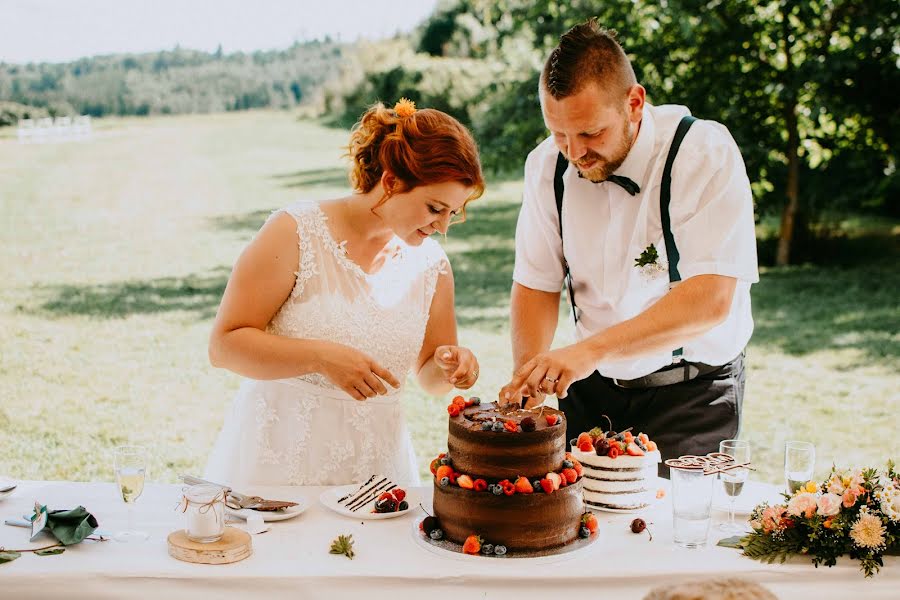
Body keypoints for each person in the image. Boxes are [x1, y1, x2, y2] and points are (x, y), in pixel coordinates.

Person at [499, 20, 759, 472]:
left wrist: (587, 352)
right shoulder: (545, 167)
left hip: (692, 393)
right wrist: (531, 379)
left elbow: (710, 301)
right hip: (591, 385)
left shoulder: (701, 153)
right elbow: (536, 283)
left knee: (672, 532)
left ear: (634, 103)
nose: (574, 153)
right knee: (575, 528)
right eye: (560, 134)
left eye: (591, 133)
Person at [205, 99, 485, 488]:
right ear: (390, 182)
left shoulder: (432, 267)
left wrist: (452, 366)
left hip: (375, 475)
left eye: (452, 213)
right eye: (434, 208)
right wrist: (321, 357)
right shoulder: (294, 232)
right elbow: (224, 346)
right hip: (280, 465)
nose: (442, 227)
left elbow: (428, 376)